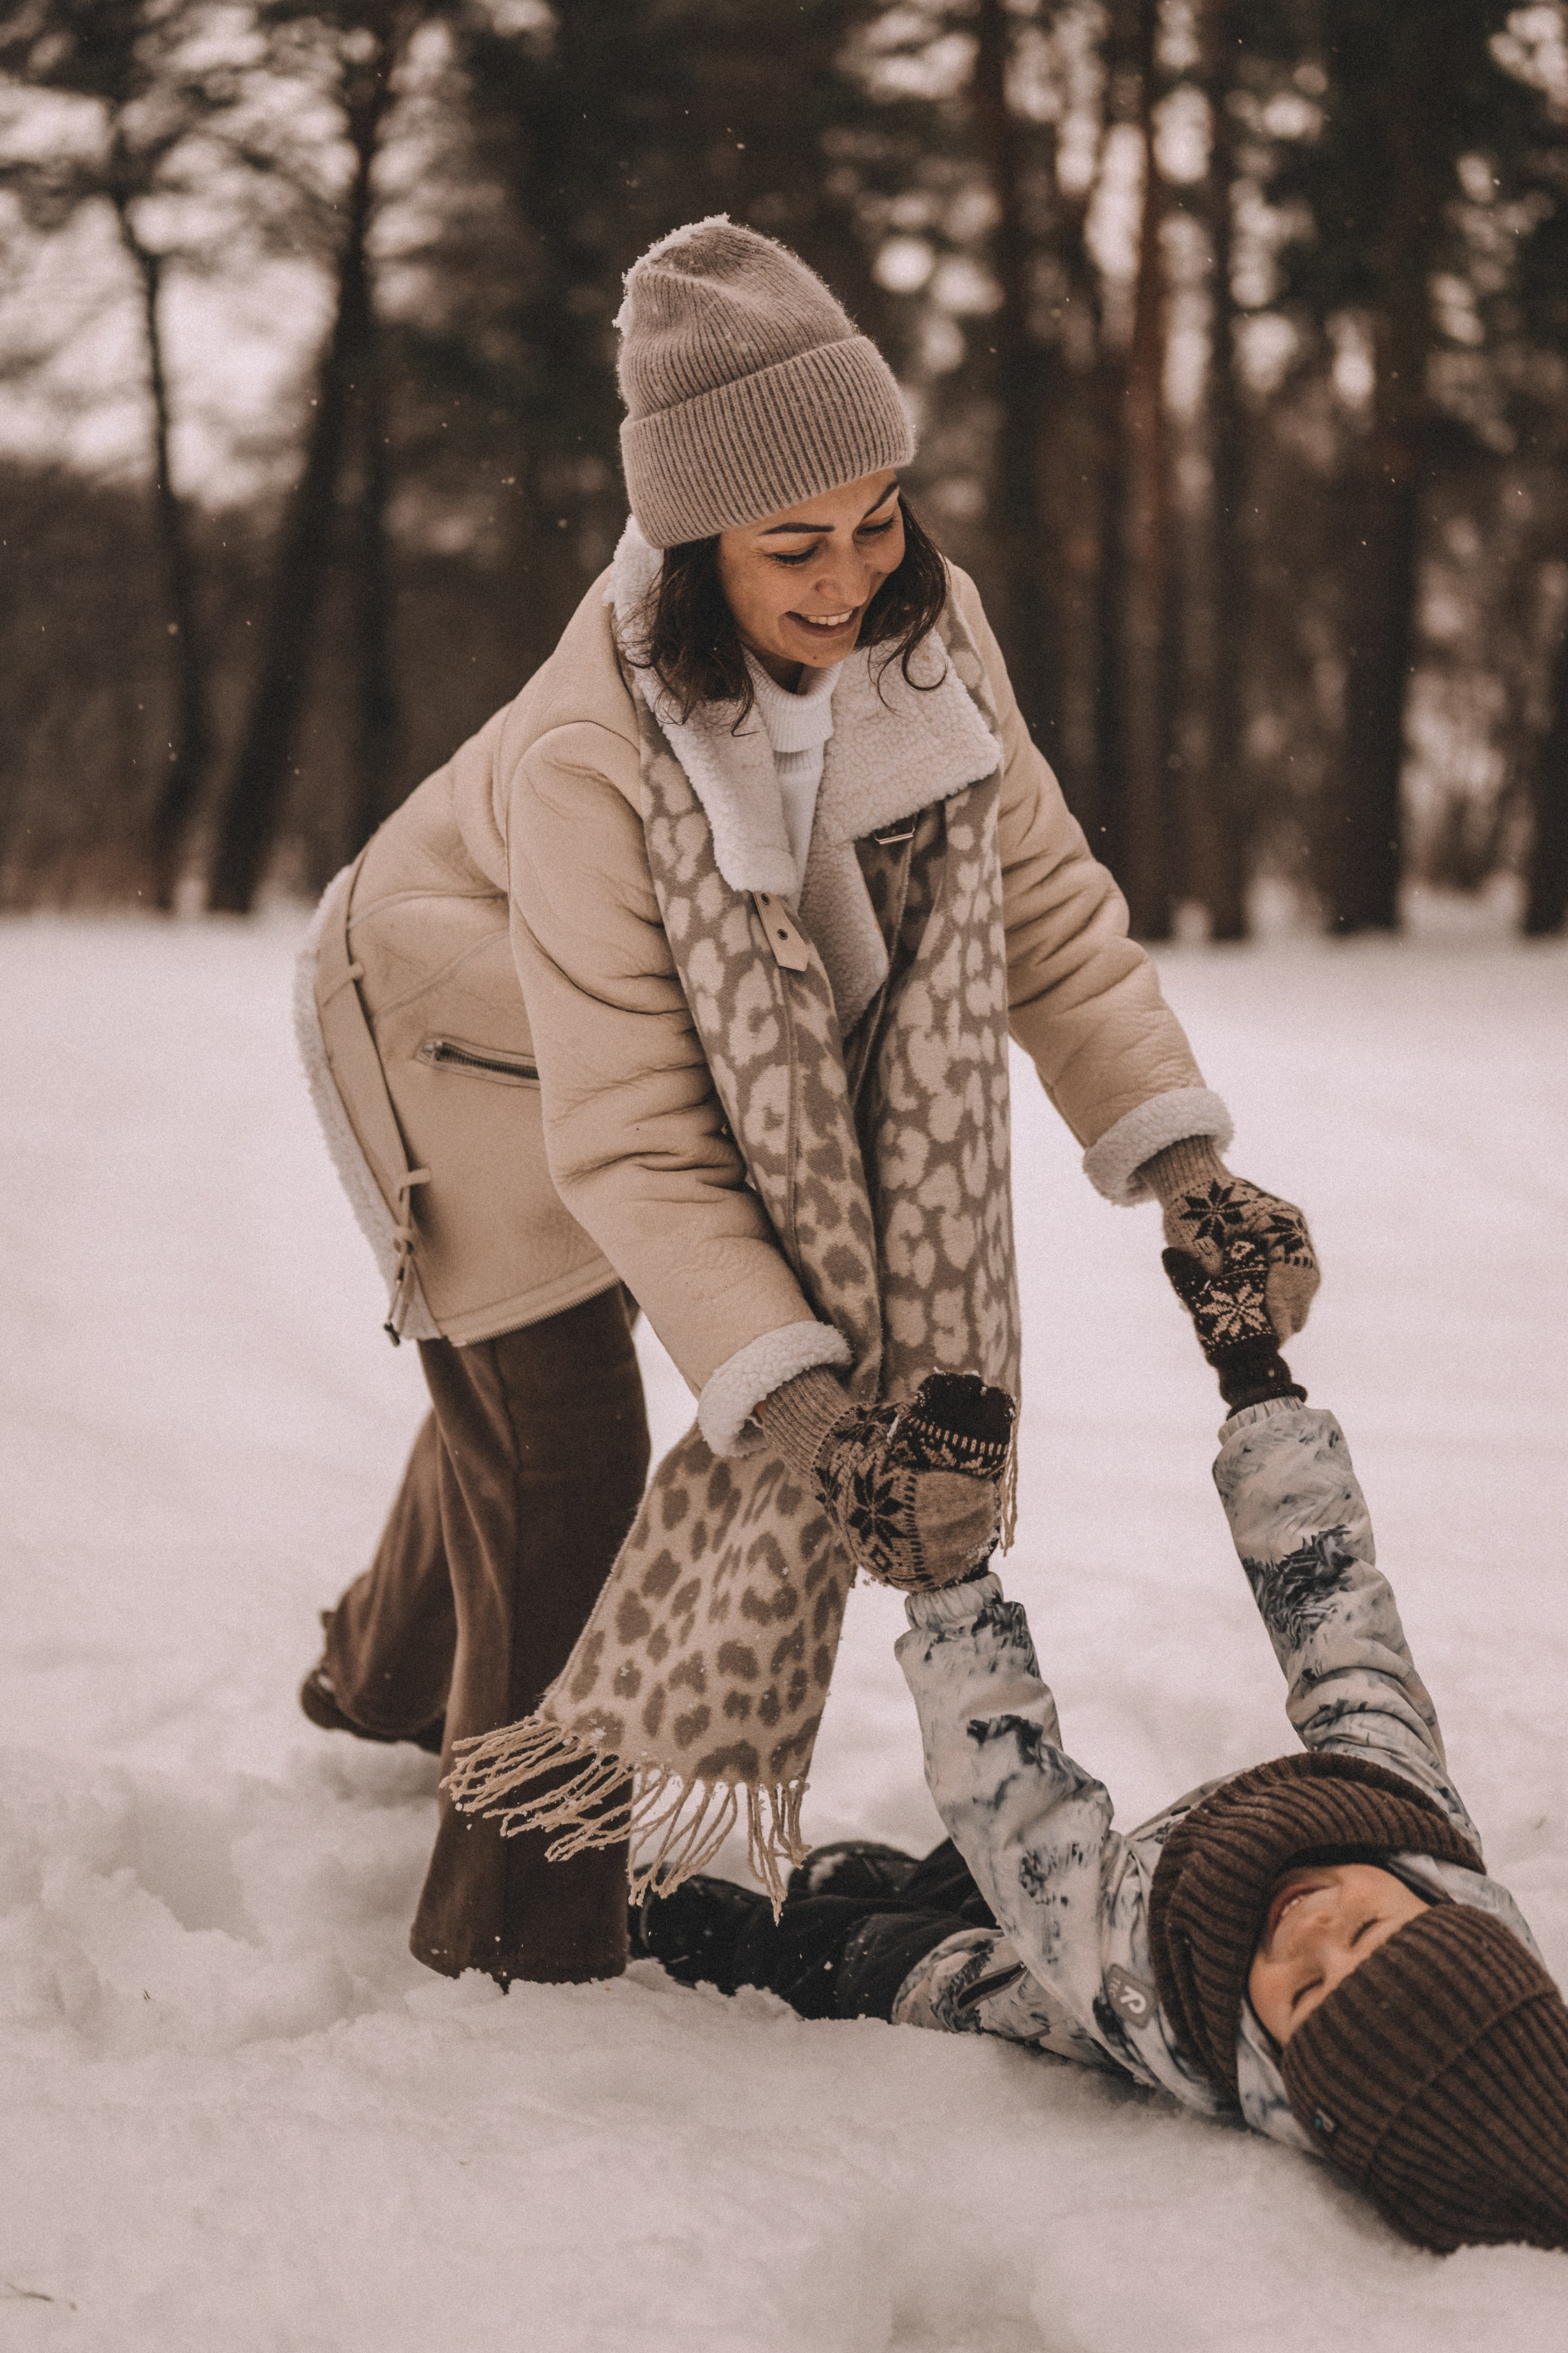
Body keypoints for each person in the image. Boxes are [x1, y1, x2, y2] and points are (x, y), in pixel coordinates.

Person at [294, 215, 1320, 1987]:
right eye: (793, 545)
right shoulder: (591, 760)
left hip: (627, 1035)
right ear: (693, 544)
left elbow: (1051, 919)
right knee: (566, 1450)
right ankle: (510, 1954)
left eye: (876, 516)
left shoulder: (929, 640)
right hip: (443, 1026)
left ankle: (374, 1676)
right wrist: (810, 1417)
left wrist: (1186, 1160)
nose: (849, 577)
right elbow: (641, 1141)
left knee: (514, 1407)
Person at [630, 1206, 1568, 2259]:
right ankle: (868, 1868)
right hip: (1138, 1865)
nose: (1306, 1932)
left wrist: (948, 1582)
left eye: (1301, 1992)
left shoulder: (1148, 1979)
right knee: (933, 1873)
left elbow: (1023, 1815)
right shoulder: (1405, 1820)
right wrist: (1258, 1381)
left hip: (1043, 1965)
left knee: (851, 1948)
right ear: (1446, 1910)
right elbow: (1339, 1619)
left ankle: (651, 1918)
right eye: (1366, 1931)